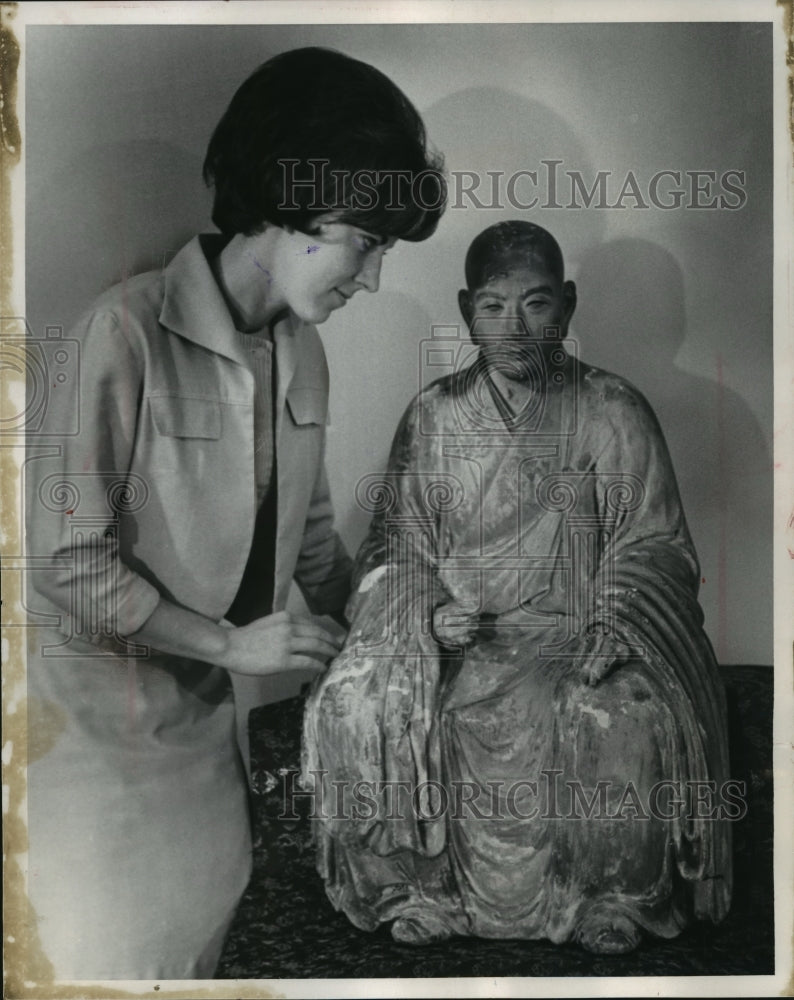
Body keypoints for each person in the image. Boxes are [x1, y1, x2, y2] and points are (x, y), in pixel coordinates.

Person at [24, 46, 444, 980]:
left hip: (206, 749)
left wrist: (411, 618)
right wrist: (231, 646)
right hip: (90, 755)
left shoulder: (303, 352)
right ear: (293, 205)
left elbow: (318, 551)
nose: (371, 278)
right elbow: (62, 563)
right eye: (366, 242)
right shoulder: (122, 332)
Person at [302, 220, 733, 955]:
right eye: (494, 306)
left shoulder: (611, 409)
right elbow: (393, 547)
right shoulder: (434, 418)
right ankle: (419, 888)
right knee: (358, 701)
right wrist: (428, 614)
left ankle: (606, 894)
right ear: (467, 307)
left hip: (576, 637)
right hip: (463, 636)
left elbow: (654, 545)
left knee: (615, 714)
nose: (514, 326)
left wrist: (614, 623)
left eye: (535, 304)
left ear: (566, 306)